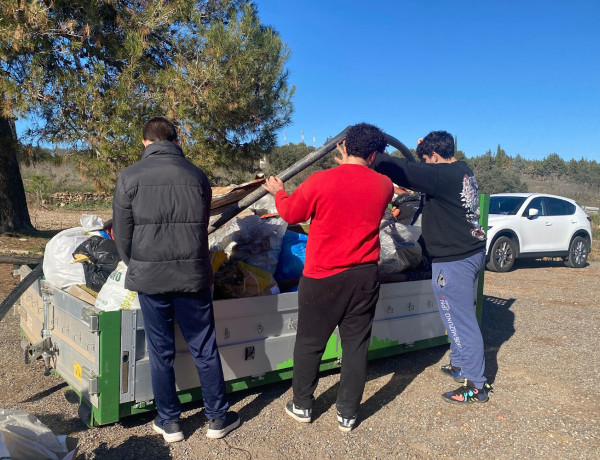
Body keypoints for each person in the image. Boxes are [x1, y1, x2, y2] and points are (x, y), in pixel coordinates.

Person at [112, 117, 240, 442]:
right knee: (204, 347)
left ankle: (169, 422)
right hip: (192, 276)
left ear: (146, 143)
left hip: (151, 279)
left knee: (161, 351)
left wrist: (137, 264)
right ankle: (217, 418)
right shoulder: (197, 176)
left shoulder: (129, 177)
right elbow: (200, 227)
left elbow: (123, 236)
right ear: (174, 140)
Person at [262, 122, 394, 432]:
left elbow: (292, 214)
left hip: (323, 276)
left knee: (310, 343)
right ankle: (347, 414)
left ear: (342, 146)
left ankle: (303, 405)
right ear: (374, 154)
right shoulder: (384, 184)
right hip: (364, 276)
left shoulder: (320, 180)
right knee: (356, 345)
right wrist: (355, 165)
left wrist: (279, 192)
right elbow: (361, 186)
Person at [363, 130, 491, 404]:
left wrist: (375, 156)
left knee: (461, 320)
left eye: (426, 159)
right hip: (467, 252)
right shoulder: (461, 170)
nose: (424, 165)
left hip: (455, 259)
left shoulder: (441, 176)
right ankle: (459, 362)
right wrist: (422, 153)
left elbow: (406, 171)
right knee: (454, 314)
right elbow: (422, 170)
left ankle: (476, 384)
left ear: (435, 156)